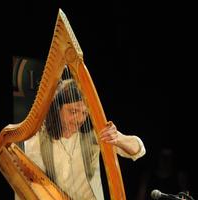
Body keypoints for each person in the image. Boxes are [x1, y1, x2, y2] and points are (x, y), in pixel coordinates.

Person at [15, 79, 146, 200]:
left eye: (84, 113)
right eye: (73, 112)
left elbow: (138, 149)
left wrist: (119, 138)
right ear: (56, 109)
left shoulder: (94, 133)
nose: (80, 119)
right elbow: (31, 182)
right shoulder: (37, 138)